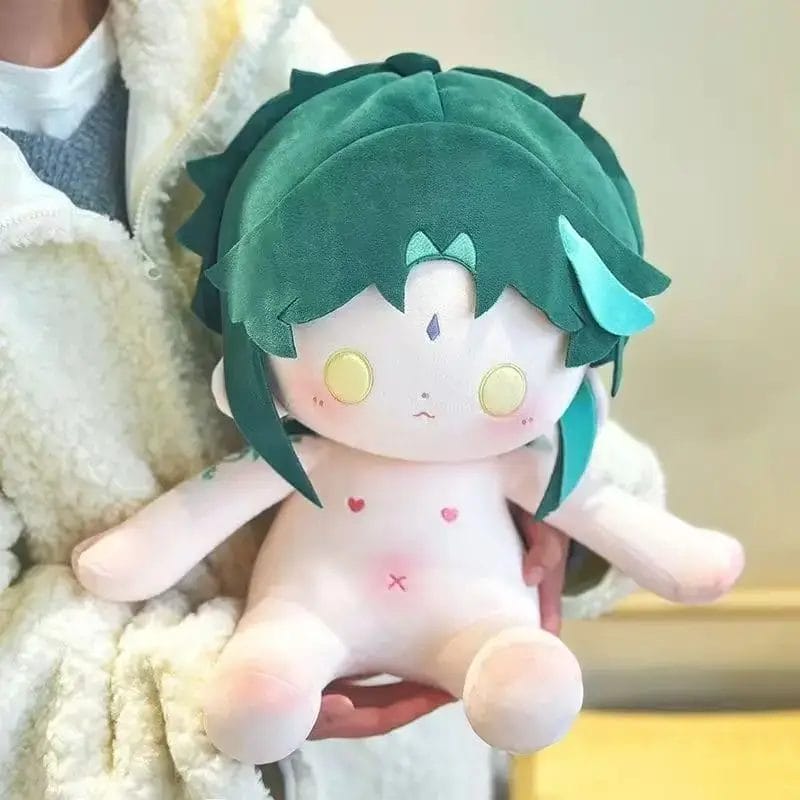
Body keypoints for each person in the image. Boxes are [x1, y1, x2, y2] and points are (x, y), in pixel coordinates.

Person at [0, 1, 667, 798]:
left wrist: (553, 489)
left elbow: (484, 304)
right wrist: (211, 684)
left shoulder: (239, 31)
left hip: (419, 763)